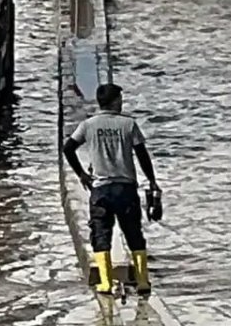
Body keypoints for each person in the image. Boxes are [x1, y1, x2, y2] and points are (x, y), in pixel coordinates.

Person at [62, 83, 159, 296]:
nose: (122, 102)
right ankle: (143, 281)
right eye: (120, 99)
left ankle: (106, 284)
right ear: (115, 101)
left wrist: (81, 174)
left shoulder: (88, 125)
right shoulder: (128, 124)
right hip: (126, 189)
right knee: (134, 234)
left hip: (101, 190)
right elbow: (142, 155)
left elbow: (68, 148)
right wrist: (152, 181)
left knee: (101, 234)